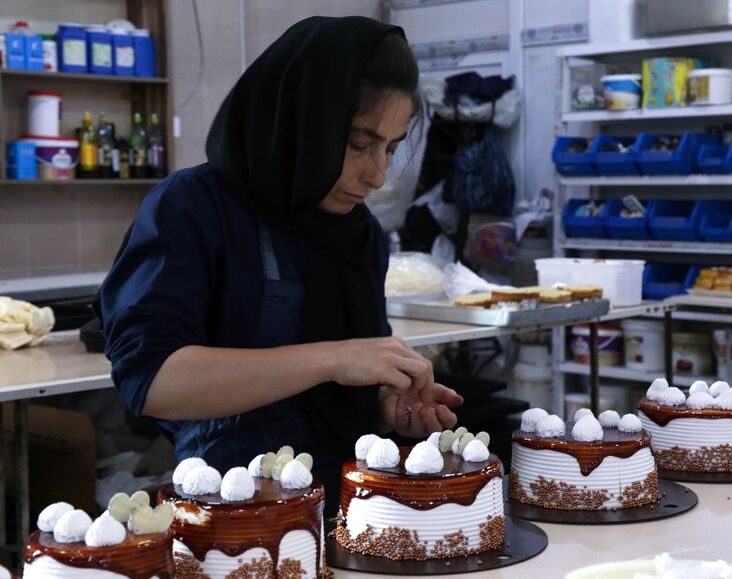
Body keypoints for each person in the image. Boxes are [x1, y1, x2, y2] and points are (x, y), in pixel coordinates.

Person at [97, 16, 463, 507]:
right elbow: (154, 380)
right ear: (301, 122)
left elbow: (336, 392)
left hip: (353, 511)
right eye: (358, 144)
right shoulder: (194, 208)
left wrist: (385, 408)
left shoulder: (358, 235)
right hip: (236, 516)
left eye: (390, 149)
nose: (378, 175)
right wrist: (335, 359)